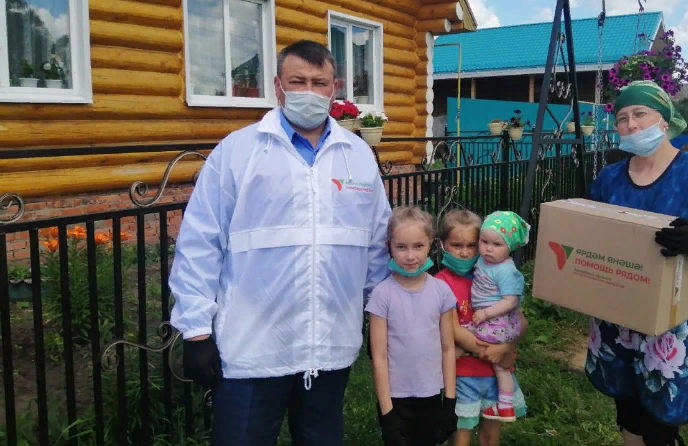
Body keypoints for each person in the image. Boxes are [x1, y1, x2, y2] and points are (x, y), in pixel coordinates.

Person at [168, 40, 392, 446]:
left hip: (330, 344)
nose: (309, 91)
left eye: (319, 82)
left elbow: (377, 243)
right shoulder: (238, 151)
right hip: (252, 347)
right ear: (278, 86)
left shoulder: (357, 155)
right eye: (297, 81)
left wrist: (384, 317)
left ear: (334, 88)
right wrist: (196, 330)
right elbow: (200, 241)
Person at [584, 80, 688, 446]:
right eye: (622, 118)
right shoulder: (609, 178)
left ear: (665, 118)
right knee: (628, 413)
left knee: (661, 421)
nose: (631, 124)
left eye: (640, 113)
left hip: (669, 319)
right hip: (616, 313)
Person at [434, 209, 529, 446]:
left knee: (490, 436)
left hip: (494, 373)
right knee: (460, 436)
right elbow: (455, 331)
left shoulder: (492, 275)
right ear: (442, 244)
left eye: (471, 245)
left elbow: (521, 321)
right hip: (462, 373)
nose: (465, 252)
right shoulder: (440, 283)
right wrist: (495, 352)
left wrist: (506, 348)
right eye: (456, 245)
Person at [366, 206, 458, 446]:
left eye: (418, 246)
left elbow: (448, 348)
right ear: (389, 246)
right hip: (396, 397)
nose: (410, 256)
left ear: (432, 245)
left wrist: (450, 401)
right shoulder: (382, 295)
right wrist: (387, 412)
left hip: (431, 393)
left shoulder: (441, 291)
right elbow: (379, 356)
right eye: (401, 247)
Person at [464, 210, 529, 422]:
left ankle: (506, 406)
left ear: (509, 247)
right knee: (502, 369)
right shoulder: (486, 261)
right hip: (492, 321)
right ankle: (506, 407)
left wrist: (485, 313)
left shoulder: (505, 270)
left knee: (463, 338)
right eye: (484, 242)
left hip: (495, 322)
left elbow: (510, 301)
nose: (489, 248)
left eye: (497, 244)